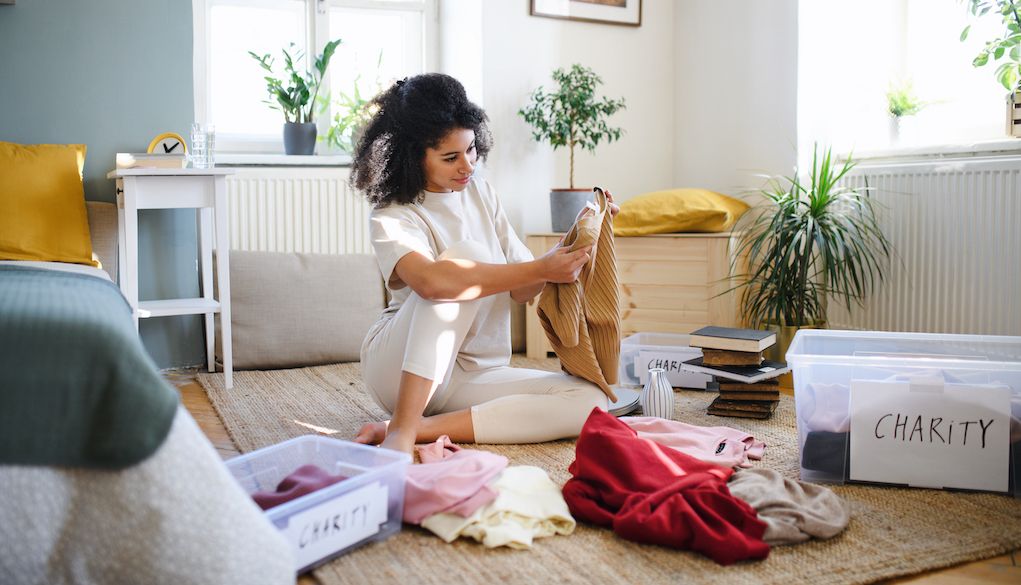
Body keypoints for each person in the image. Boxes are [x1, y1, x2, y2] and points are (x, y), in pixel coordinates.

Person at [349, 73, 618, 455]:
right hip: (399, 371)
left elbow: (525, 287)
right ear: (413, 156)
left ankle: (421, 428)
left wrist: (576, 242)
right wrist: (540, 268)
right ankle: (402, 430)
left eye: (472, 149)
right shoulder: (392, 214)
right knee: (465, 261)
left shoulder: (482, 193)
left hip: (476, 373)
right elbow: (432, 283)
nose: (468, 166)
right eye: (450, 157)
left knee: (592, 401)